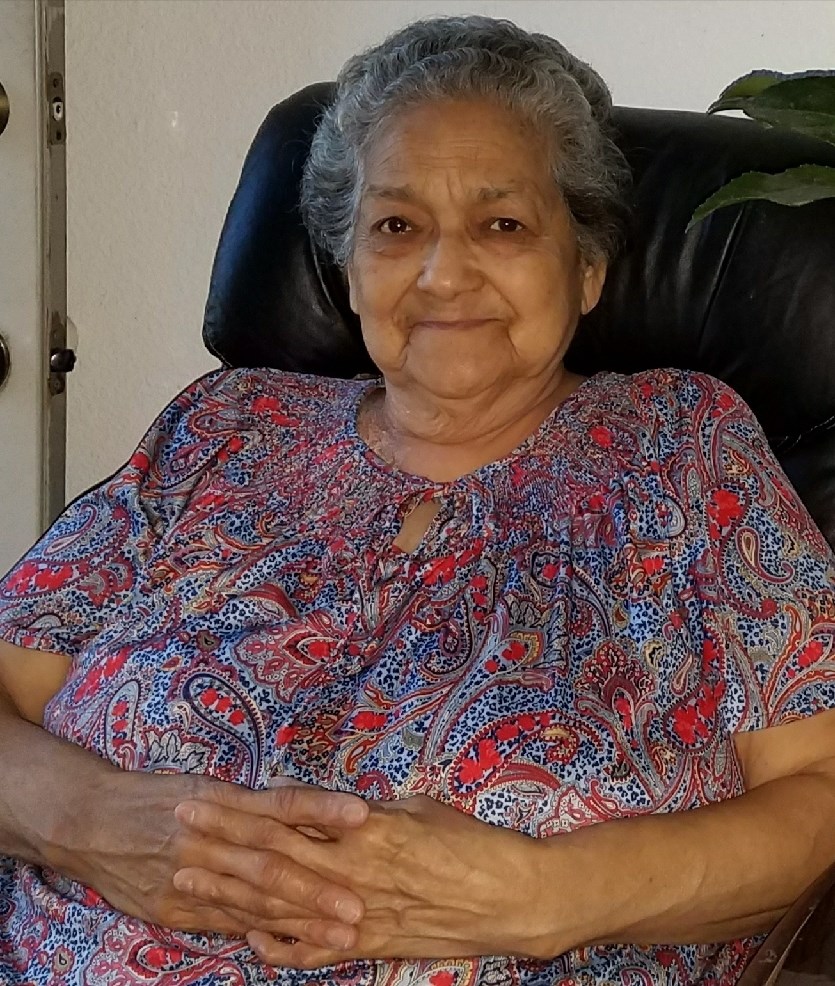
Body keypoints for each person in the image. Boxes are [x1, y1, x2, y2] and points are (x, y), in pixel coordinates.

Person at [1, 14, 834, 986]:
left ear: (587, 267)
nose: (443, 274)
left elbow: (818, 790)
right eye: (396, 227)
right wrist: (86, 819)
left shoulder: (685, 449)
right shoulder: (224, 425)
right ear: (348, 267)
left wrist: (544, 896)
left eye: (502, 224)